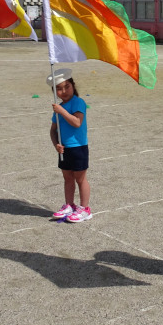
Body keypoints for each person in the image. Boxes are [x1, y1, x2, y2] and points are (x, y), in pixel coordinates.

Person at [47, 68, 92, 222]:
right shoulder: (57, 108)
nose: (64, 91)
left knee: (80, 179)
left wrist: (62, 111)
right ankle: (69, 205)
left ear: (73, 86)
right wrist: (56, 145)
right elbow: (53, 130)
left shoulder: (78, 102)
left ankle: (85, 208)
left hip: (78, 147)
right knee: (67, 178)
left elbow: (77, 122)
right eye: (59, 89)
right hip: (64, 149)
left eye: (67, 87)